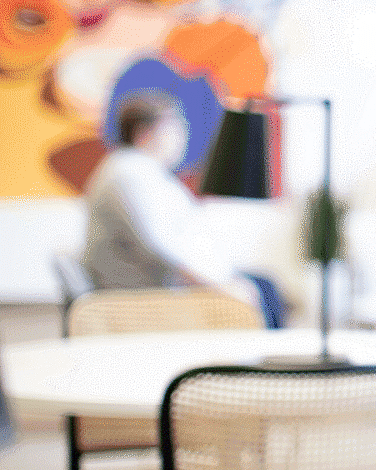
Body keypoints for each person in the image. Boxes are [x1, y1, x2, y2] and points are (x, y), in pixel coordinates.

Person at [81, 91, 283, 325]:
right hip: (144, 298)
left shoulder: (139, 171)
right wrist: (222, 285)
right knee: (261, 292)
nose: (182, 136)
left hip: (161, 286)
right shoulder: (129, 175)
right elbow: (162, 247)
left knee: (263, 284)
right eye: (175, 127)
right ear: (145, 133)